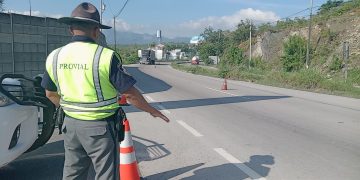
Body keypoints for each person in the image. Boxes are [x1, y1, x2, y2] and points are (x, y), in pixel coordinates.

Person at [41, 2, 170, 180]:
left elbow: (50, 94)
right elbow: (130, 94)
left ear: (71, 29)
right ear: (96, 31)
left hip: (70, 125)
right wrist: (152, 111)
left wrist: (72, 110)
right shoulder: (105, 56)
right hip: (100, 127)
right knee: (106, 174)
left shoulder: (54, 56)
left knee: (73, 172)